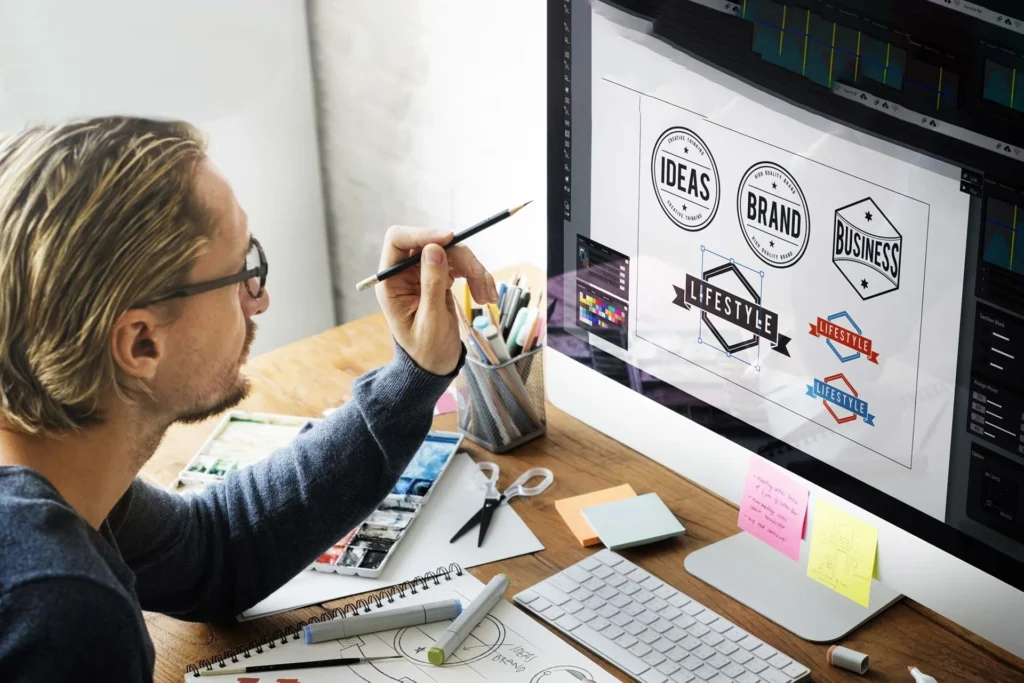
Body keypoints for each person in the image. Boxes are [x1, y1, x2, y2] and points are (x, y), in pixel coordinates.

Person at [0, 116, 499, 681]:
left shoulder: (59, 466)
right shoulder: (57, 609)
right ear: (141, 342)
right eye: (241, 270)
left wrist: (415, 374)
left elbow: (211, 556)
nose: (257, 301)